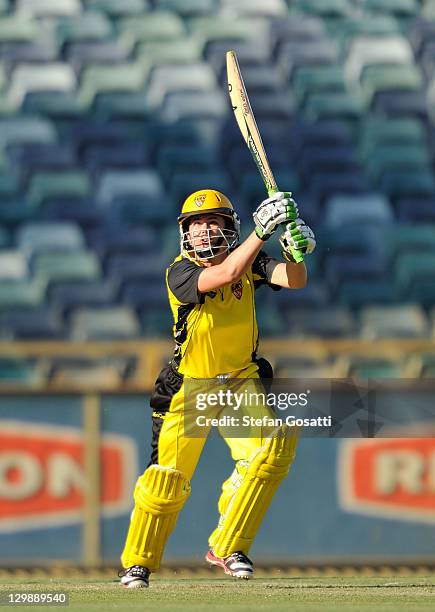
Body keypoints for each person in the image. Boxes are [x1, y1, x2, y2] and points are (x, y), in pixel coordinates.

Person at [118, 189, 316, 587]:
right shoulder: (180, 272)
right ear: (184, 235)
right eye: (195, 225)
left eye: (213, 223)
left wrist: (296, 252)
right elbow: (225, 276)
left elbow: (293, 281)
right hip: (190, 385)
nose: (204, 232)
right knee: (166, 480)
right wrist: (263, 231)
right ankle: (139, 561)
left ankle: (229, 546)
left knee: (269, 453)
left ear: (229, 229)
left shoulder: (251, 259)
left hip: (240, 381)